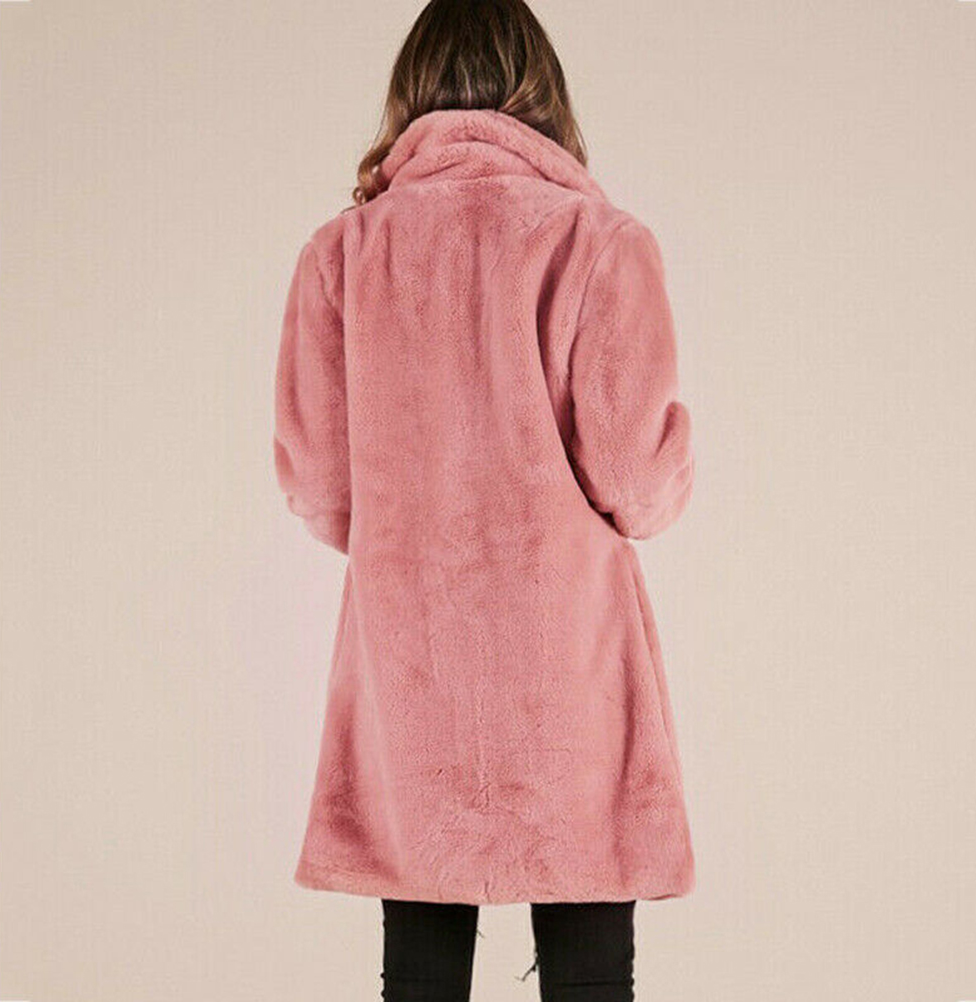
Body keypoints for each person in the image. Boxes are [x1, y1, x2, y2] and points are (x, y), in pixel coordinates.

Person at [273, 1, 695, 999]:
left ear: (411, 93)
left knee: (420, 959)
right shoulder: (599, 242)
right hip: (568, 659)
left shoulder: (342, 254)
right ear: (542, 91)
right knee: (591, 958)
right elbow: (638, 484)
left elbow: (321, 489)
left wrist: (413, 525)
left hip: (412, 650)